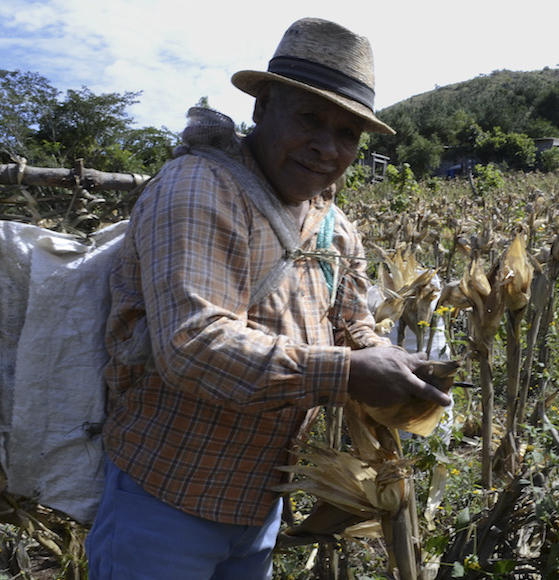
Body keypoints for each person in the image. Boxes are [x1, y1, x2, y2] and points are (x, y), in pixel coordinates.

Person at [85, 17, 451, 579]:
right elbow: (192, 344)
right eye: (308, 118)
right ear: (262, 107)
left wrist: (396, 365)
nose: (327, 147)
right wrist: (349, 374)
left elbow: (353, 325)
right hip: (164, 501)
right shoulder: (197, 190)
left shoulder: (334, 226)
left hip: (259, 504)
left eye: (348, 133)